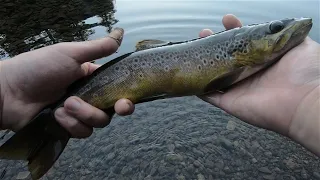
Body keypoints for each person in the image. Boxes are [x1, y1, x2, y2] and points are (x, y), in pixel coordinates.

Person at [0, 14, 319, 156]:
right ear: (242, 46)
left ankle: (40, 137)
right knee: (68, 115)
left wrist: (311, 94)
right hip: (114, 79)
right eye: (277, 28)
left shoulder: (243, 59)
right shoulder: (238, 58)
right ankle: (43, 134)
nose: (291, 28)